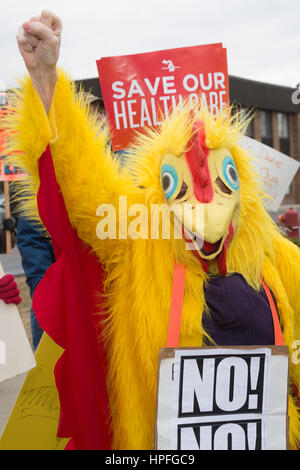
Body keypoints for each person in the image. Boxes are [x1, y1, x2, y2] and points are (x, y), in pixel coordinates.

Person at [8, 10, 300, 450]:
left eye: (226, 184)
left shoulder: (270, 253)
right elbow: (80, 187)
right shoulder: (137, 239)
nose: (208, 212)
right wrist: (46, 81)